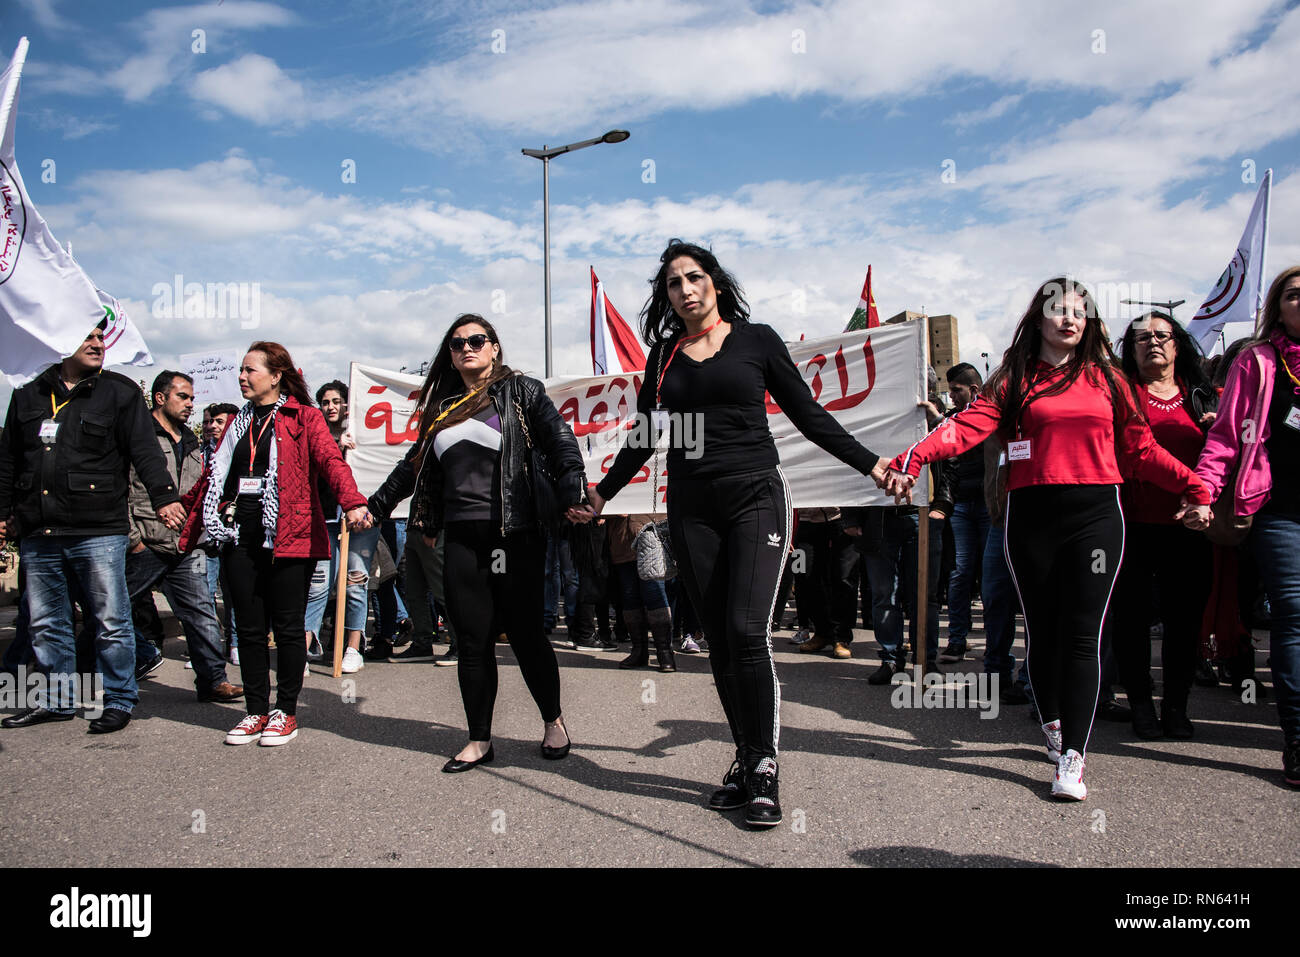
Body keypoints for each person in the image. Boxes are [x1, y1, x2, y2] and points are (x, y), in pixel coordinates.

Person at [586, 240, 890, 828]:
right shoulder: (664, 356)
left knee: (746, 631)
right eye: (673, 283)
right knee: (720, 642)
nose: (684, 290)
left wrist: (872, 464)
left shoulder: (757, 340)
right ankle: (746, 757)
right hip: (691, 508)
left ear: (716, 283)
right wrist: (602, 492)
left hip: (755, 497)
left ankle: (765, 769)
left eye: (693, 277)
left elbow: (808, 414)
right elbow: (645, 436)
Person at [885, 277, 1210, 801]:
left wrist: (1196, 485)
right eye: (1059, 310)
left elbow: (1142, 449)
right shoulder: (1014, 377)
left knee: (1083, 634)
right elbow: (967, 426)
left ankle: (1073, 757)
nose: (1070, 319)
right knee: (1042, 631)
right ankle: (1054, 720)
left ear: (1090, 322)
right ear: (1038, 317)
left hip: (1097, 516)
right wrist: (915, 455)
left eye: (1080, 311)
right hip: (1031, 516)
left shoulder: (1110, 379)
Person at [391, 314, 588, 772]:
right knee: (472, 637)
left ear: (495, 347)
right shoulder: (442, 407)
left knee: (523, 633)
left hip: (512, 534)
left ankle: (553, 721)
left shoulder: (521, 392)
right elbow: (411, 468)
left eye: (477, 340)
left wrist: (573, 487)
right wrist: (372, 505)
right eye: (458, 343)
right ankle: (479, 737)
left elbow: (560, 441)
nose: (467, 348)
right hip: (461, 537)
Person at [180, 342, 372, 746]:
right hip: (239, 534)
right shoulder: (236, 423)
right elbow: (212, 476)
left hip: (290, 534)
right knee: (248, 629)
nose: (242, 377)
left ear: (276, 375)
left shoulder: (304, 418)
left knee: (287, 627)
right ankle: (255, 711)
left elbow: (330, 462)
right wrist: (181, 508)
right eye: (241, 370)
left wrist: (352, 501)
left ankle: (285, 711)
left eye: (250, 370)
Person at [0, 323, 186, 734]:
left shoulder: (119, 392)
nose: (98, 344)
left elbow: (144, 451)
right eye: (87, 337)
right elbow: (9, 460)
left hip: (98, 530)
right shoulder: (28, 392)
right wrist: (4, 510)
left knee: (110, 619)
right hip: (40, 531)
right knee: (47, 623)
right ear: (57, 341)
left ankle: (119, 699)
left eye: (101, 338)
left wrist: (164, 497)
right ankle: (56, 699)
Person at [1184, 266, 1300, 786]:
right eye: (1295, 295)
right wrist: (1203, 491)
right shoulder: (1258, 362)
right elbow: (1227, 437)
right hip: (1281, 512)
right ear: (1278, 307)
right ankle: (1297, 742)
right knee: (1294, 618)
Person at [1109, 312, 1217, 739]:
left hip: (1191, 527)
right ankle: (1139, 703)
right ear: (1131, 349)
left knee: (1184, 620)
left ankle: (1176, 706)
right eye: (1141, 338)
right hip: (1130, 525)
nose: (1152, 342)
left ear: (1177, 345)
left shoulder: (1204, 397)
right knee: (1131, 620)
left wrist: (1215, 432)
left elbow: (1228, 457)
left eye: (1161, 335)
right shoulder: (1119, 394)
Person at [125, 371, 244, 704]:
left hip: (184, 545)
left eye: (192, 398)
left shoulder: (192, 443)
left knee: (201, 612)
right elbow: (122, 490)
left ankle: (213, 681)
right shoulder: (138, 437)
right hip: (145, 543)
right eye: (183, 397)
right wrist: (132, 537)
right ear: (160, 398)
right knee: (113, 610)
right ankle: (113, 669)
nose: (192, 404)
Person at [303, 379, 381, 674]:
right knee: (317, 585)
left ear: (348, 404)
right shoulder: (315, 434)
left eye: (337, 401)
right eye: (325, 402)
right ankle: (306, 645)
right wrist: (336, 446)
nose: (331, 407)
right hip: (325, 518)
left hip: (361, 521)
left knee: (355, 583)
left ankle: (353, 646)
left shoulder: (364, 431)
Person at [937, 362, 990, 663]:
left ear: (973, 390)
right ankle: (957, 639)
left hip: (988, 507)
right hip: (960, 507)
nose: (952, 396)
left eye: (956, 391)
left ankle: (995, 642)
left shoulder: (992, 419)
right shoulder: (949, 422)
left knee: (990, 576)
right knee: (960, 573)